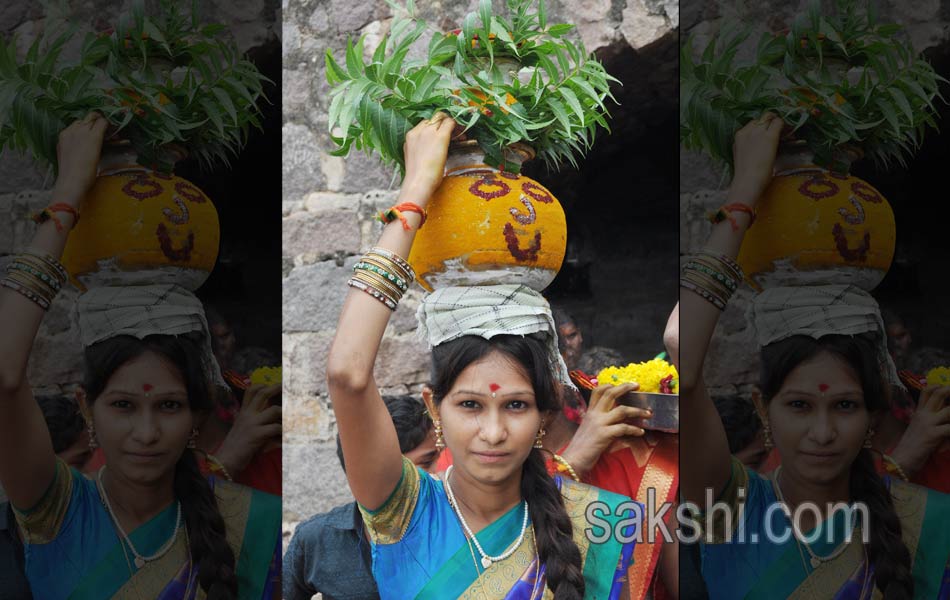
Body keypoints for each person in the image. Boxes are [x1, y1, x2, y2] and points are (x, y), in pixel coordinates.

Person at [326, 111, 640, 599]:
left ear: (544, 410)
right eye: (470, 405)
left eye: (515, 405)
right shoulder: (405, 509)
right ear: (434, 408)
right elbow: (347, 374)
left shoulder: (608, 522)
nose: (492, 434)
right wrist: (414, 195)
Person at [0, 114, 281, 599]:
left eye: (168, 406)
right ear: (86, 407)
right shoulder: (58, 509)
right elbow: (5, 376)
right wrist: (67, 196)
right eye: (123, 405)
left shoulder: (258, 521)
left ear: (198, 411)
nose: (146, 434)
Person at [679, 113, 950, 599]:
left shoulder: (933, 522)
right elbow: (684, 353)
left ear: (874, 411)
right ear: (764, 409)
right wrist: (744, 193)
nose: (822, 434)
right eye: (799, 405)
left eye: (844, 406)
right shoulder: (731, 507)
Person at [283, 394, 439, 600]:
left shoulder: (462, 529)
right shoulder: (316, 538)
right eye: (427, 463)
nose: (442, 472)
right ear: (379, 472)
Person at [552, 308, 626, 375]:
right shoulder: (551, 369)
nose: (567, 343)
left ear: (580, 335)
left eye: (572, 336)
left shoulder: (603, 361)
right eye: (560, 339)